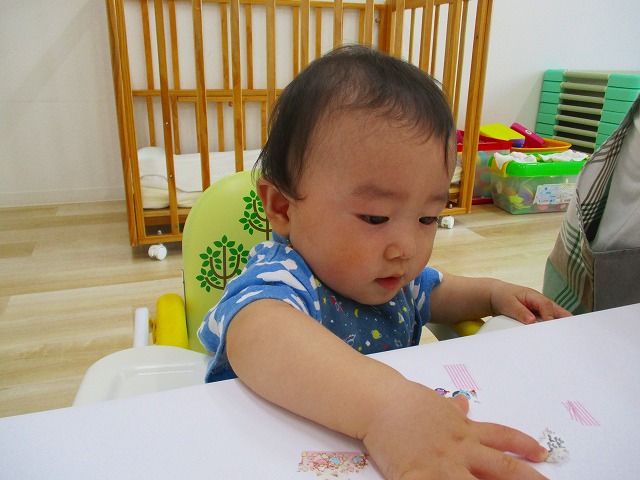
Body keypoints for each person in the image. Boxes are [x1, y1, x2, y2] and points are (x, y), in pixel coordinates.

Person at [198, 44, 570, 479]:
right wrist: (388, 408)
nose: (406, 248)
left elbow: (439, 291)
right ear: (283, 208)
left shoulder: (393, 277)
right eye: (376, 217)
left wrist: (493, 293)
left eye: (427, 218)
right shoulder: (282, 278)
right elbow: (259, 335)